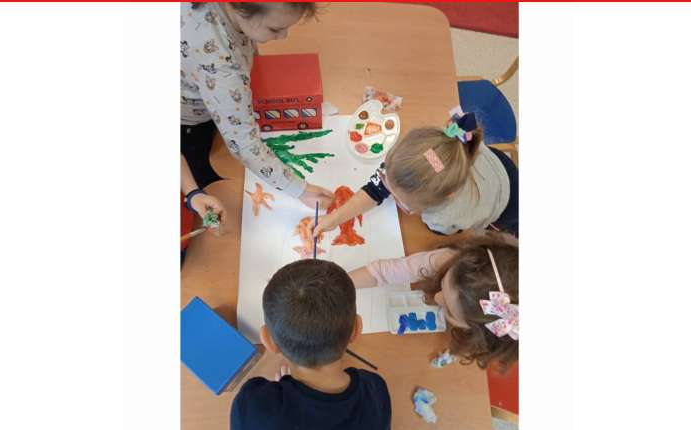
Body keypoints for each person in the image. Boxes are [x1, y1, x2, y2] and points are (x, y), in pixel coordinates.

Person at [181, 2, 333, 225]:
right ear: (241, 8)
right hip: (189, 124)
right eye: (275, 29)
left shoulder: (232, 15)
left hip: (209, 94)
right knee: (215, 179)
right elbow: (245, 146)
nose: (284, 36)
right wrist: (301, 190)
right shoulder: (222, 68)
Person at [230, 259, 391, 430]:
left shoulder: (253, 407)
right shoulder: (374, 391)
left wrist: (281, 346)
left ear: (268, 341)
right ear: (356, 329)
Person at [313, 108, 519, 238]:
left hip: (507, 206)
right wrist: (334, 219)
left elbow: (451, 233)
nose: (387, 192)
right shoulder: (435, 149)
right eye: (386, 180)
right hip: (498, 163)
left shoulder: (444, 217)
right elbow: (375, 190)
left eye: (401, 202)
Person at [350, 234, 518, 369]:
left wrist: (455, 352)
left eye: (449, 311)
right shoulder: (450, 261)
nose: (436, 298)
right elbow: (383, 272)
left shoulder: (496, 336)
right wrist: (342, 282)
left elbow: (475, 347)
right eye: (443, 283)